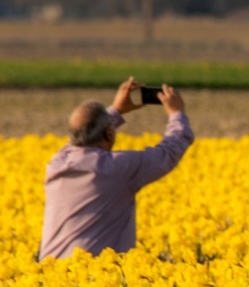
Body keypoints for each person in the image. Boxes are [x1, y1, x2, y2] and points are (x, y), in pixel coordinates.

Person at [38, 77, 193, 260]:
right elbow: (168, 152)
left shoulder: (56, 163)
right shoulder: (117, 168)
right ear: (110, 133)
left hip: (50, 276)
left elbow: (79, 137)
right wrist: (177, 114)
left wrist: (116, 111)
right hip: (94, 275)